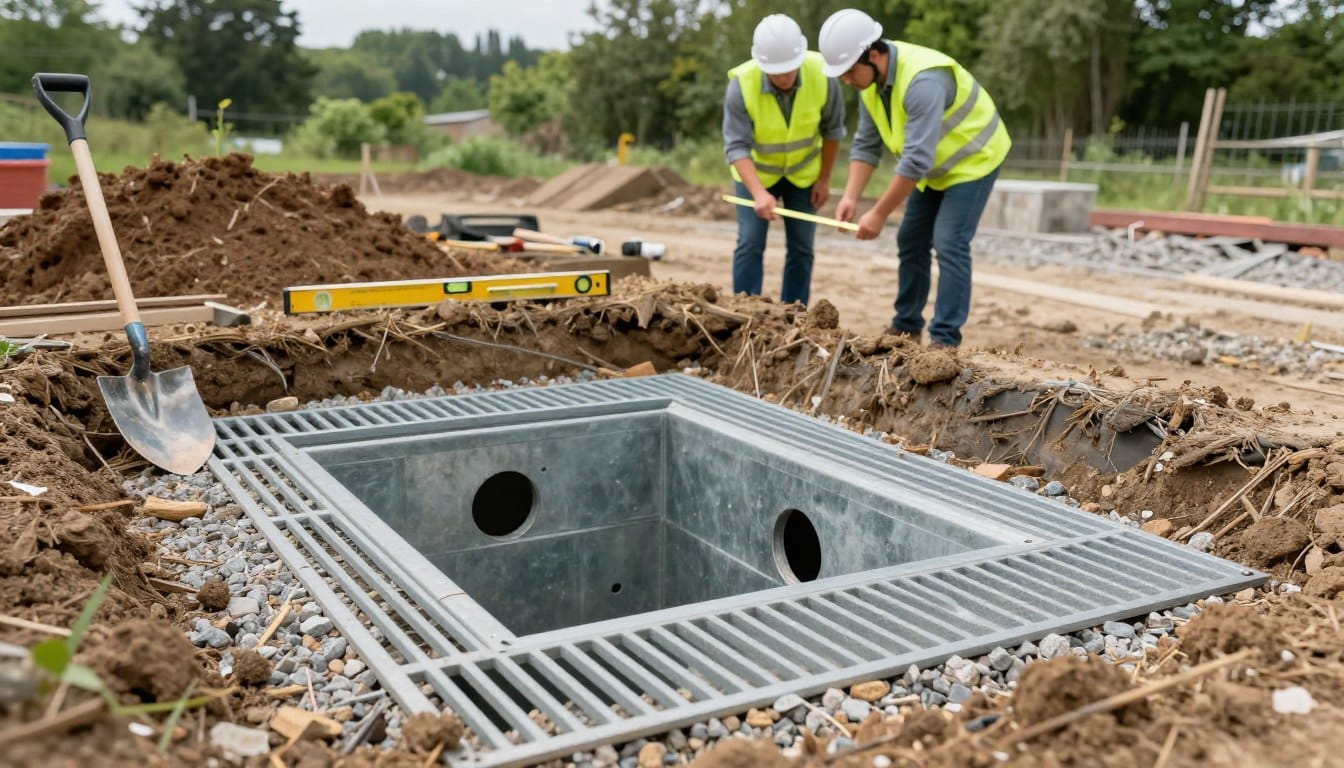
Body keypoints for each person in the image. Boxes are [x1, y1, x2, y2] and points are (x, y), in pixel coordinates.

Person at [818, 9, 1010, 348]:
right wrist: (850, 196)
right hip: (934, 168)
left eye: (849, 72)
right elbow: (866, 144)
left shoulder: (923, 82)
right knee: (911, 239)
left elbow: (916, 159)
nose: (847, 80)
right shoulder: (870, 83)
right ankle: (906, 327)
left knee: (949, 241)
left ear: (873, 55)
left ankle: (945, 339)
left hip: (974, 159)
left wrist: (878, 213)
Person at [723, 13, 846, 307]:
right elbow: (736, 146)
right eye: (776, 72)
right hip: (757, 176)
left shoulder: (824, 76)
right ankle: (747, 310)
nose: (784, 77)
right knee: (750, 243)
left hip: (804, 176)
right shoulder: (741, 84)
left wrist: (825, 179)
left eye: (790, 69)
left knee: (802, 247)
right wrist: (758, 194)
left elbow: (833, 132)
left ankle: (795, 312)